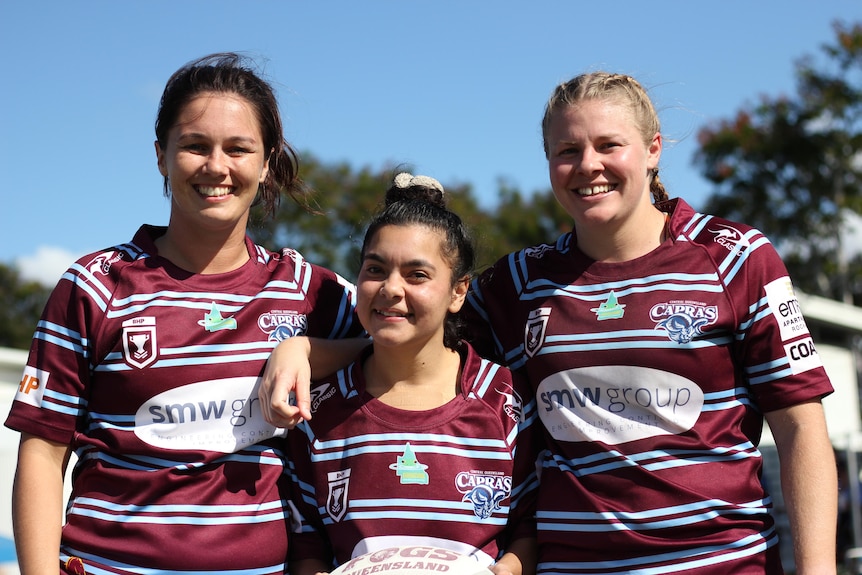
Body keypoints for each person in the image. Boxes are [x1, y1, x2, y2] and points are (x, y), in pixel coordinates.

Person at [259, 72, 838, 573]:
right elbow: (412, 335)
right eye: (567, 151)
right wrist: (304, 352)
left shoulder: (736, 257)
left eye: (609, 145)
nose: (589, 166)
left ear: (654, 148)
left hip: (719, 565)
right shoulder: (518, 283)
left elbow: (801, 430)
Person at [5, 52, 364, 575]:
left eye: (238, 149)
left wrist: (305, 347)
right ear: (161, 156)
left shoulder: (310, 292)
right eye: (195, 145)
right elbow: (41, 452)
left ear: (266, 163)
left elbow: (414, 350)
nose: (216, 166)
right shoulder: (94, 286)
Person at [285, 173, 539, 575]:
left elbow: (528, 527)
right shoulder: (319, 411)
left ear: (458, 292)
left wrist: (507, 570)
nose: (390, 288)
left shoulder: (505, 399)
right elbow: (306, 545)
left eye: (416, 275)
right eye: (375, 269)